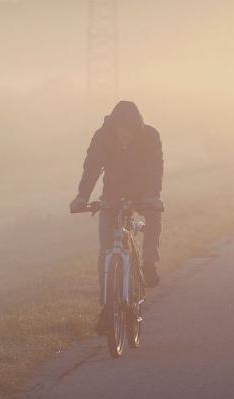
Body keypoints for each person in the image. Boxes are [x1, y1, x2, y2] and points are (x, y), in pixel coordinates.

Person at [70, 101, 164, 328]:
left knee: (153, 217)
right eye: (120, 130)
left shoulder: (150, 136)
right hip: (112, 192)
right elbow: (91, 167)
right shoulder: (102, 137)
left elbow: (155, 169)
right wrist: (82, 196)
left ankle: (149, 263)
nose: (124, 135)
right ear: (114, 127)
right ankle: (107, 307)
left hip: (143, 192)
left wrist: (152, 196)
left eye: (129, 131)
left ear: (137, 128)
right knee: (106, 250)